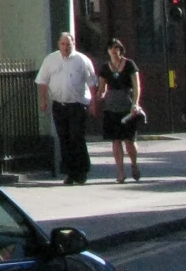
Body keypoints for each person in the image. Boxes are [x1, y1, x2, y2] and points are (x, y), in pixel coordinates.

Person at [33, 32, 97, 186]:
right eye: (63, 44)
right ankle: (69, 173)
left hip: (78, 104)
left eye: (68, 44)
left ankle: (81, 171)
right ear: (58, 45)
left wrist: (93, 103)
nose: (66, 47)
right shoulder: (50, 60)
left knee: (77, 137)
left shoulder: (82, 60)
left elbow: (92, 83)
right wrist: (43, 100)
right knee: (64, 138)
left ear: (73, 44)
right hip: (59, 105)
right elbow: (42, 81)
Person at [98, 39, 145, 183]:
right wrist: (99, 96)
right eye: (112, 48)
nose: (114, 50)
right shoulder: (105, 68)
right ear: (108, 50)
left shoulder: (130, 65)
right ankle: (120, 172)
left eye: (117, 48)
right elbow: (102, 87)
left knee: (129, 140)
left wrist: (135, 104)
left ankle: (134, 165)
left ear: (121, 49)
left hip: (127, 106)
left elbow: (137, 86)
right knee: (116, 140)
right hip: (111, 107)